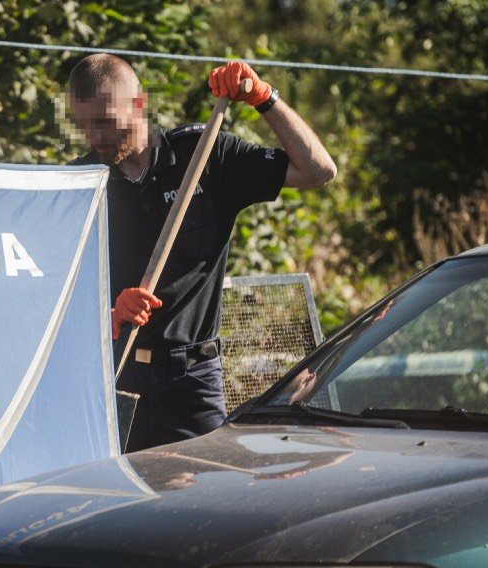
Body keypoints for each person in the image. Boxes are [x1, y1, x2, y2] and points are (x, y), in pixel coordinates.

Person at [67, 54, 338, 452]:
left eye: (104, 122)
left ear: (139, 103)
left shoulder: (204, 154)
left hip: (193, 384)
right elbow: (54, 297)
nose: (95, 137)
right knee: (117, 491)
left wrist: (264, 98)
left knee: (210, 487)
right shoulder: (78, 185)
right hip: (118, 379)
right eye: (83, 125)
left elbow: (319, 171)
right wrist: (107, 315)